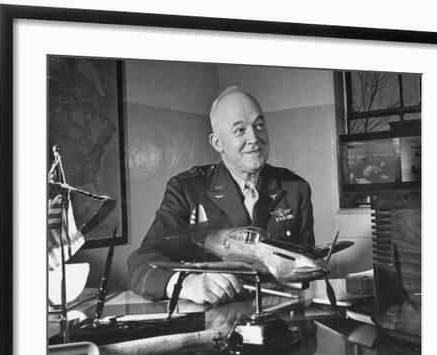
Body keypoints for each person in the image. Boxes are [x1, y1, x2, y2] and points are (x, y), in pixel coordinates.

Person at [127, 86, 315, 304]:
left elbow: (306, 267)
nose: (254, 137)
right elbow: (141, 264)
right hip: (214, 320)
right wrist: (186, 284)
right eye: (240, 131)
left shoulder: (295, 189)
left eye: (259, 125)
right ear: (218, 143)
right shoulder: (187, 190)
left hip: (280, 316)